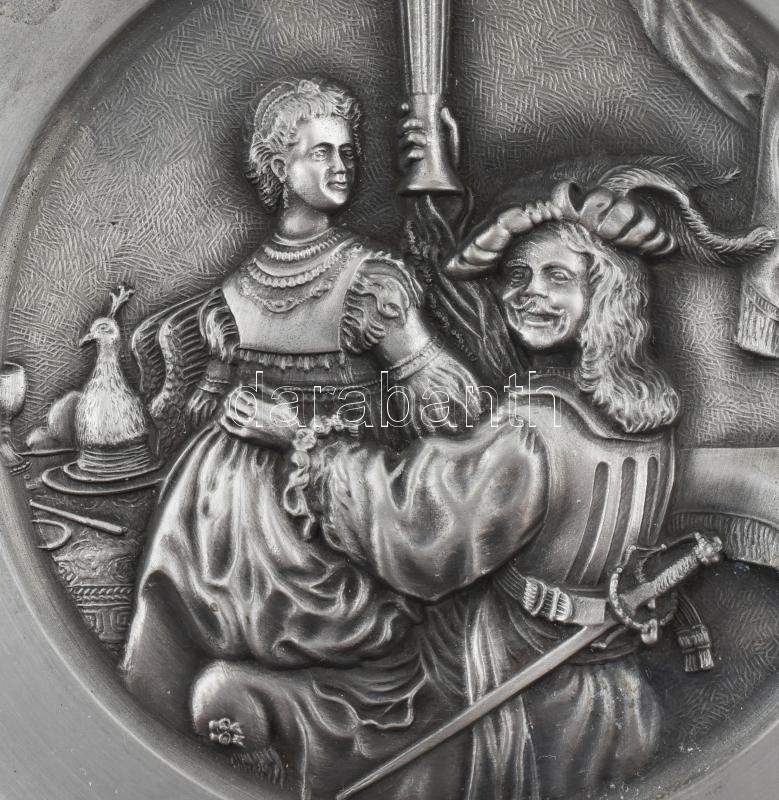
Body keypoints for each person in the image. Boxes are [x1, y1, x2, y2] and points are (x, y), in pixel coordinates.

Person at [223, 168, 773, 799]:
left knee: (268, 693)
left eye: (557, 276)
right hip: (619, 691)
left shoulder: (532, 429)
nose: (527, 293)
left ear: (607, 293)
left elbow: (420, 536)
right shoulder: (649, 410)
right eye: (518, 276)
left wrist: (303, 439)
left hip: (518, 689)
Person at [119, 75, 479, 780]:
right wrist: (220, 407)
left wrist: (312, 429)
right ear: (278, 167)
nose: (341, 166)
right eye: (321, 152)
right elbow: (203, 403)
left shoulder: (369, 281)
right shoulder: (237, 290)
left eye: (347, 152)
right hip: (215, 527)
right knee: (166, 607)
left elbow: (449, 404)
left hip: (324, 516)